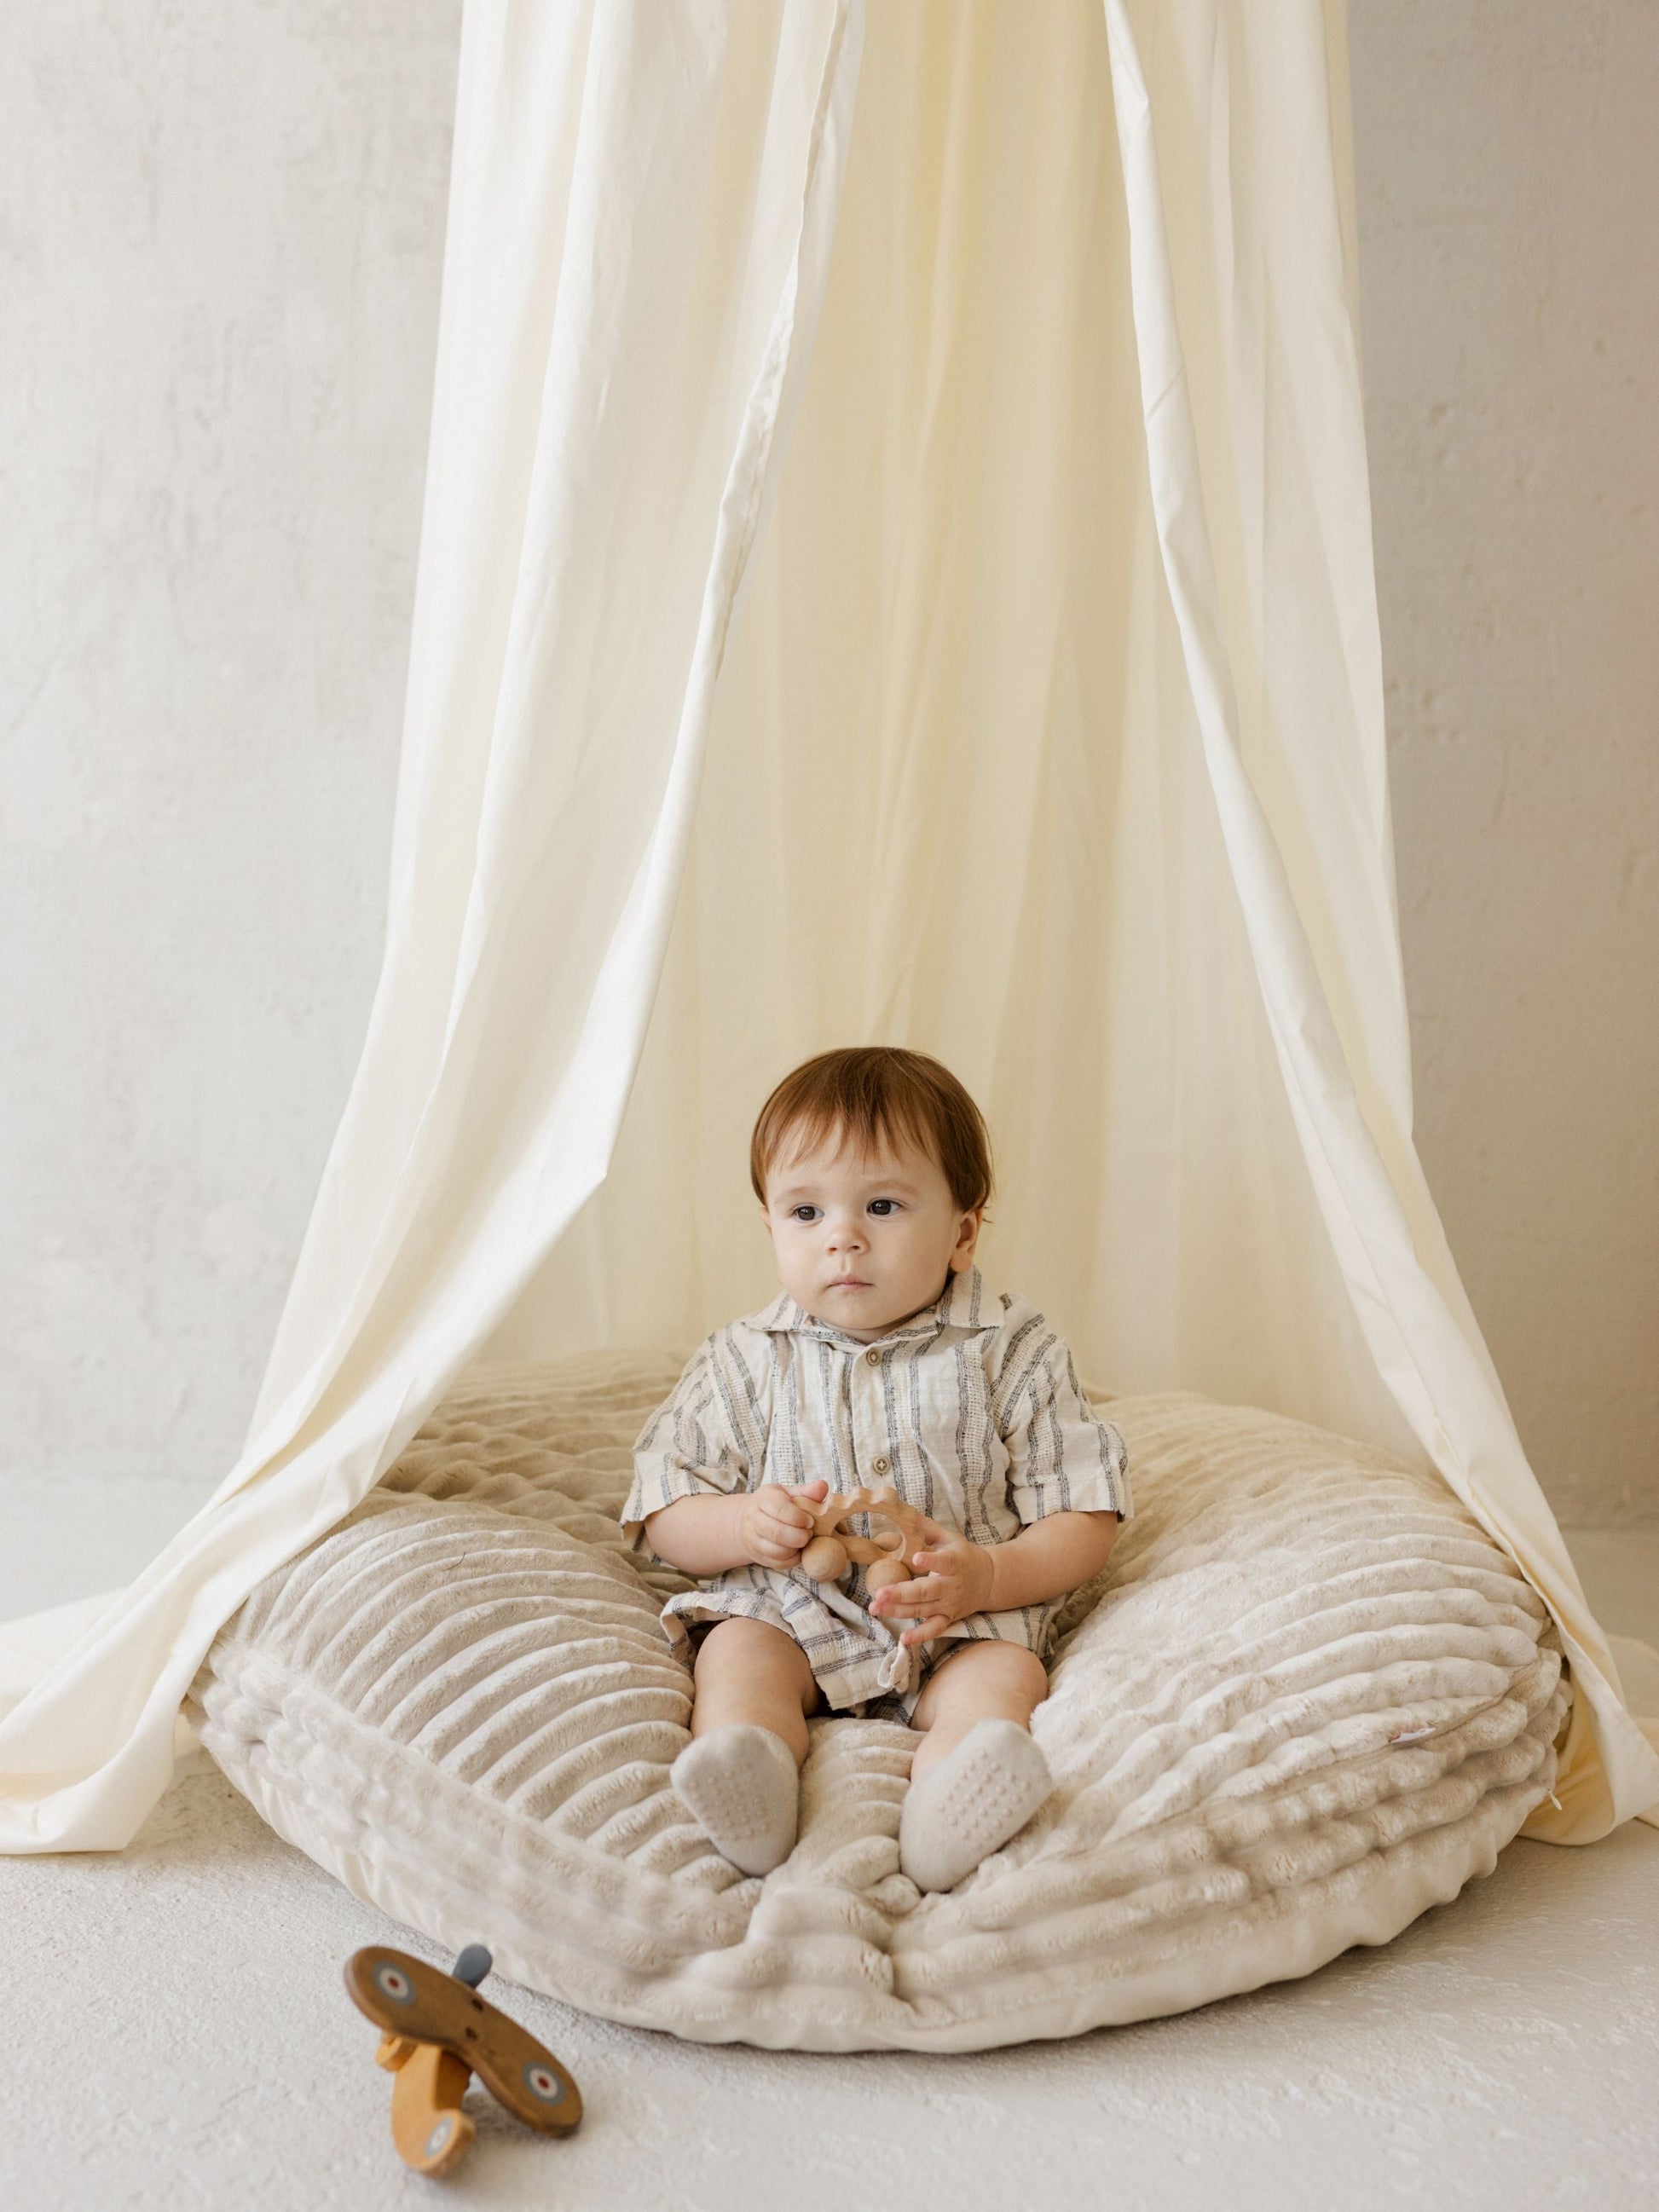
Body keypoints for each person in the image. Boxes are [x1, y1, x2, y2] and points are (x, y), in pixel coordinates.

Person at [621, 1046, 1130, 1891]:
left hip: (954, 1621)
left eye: (882, 1206)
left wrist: (990, 1574)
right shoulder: (743, 1361)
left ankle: (949, 1808)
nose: (842, 1237)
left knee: (1004, 1678)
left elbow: (1084, 1513)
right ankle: (748, 1766)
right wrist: (742, 1523)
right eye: (806, 1212)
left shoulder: (1011, 1349)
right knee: (736, 1655)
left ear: (962, 1232)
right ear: (770, 1228)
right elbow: (665, 1506)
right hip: (793, 1609)